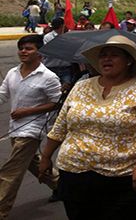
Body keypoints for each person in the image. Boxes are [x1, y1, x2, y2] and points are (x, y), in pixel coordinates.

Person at [39, 35, 136, 220]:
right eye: (103, 55)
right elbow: (61, 126)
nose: (106, 59)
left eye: (114, 55)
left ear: (129, 61)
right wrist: (45, 157)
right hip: (74, 173)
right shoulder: (81, 86)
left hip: (123, 177)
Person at [0, 35, 62, 218]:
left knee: (11, 171)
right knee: (32, 163)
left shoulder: (49, 77)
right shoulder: (13, 73)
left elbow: (57, 102)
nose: (23, 52)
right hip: (15, 127)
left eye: (29, 48)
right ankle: (61, 185)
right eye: (21, 48)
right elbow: (2, 94)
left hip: (33, 128)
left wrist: (28, 111)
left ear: (39, 52)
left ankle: (2, 210)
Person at [43, 18, 74, 92]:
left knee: (67, 87)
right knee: (53, 89)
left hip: (65, 68)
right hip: (52, 68)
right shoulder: (48, 37)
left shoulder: (69, 35)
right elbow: (52, 51)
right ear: (62, 25)